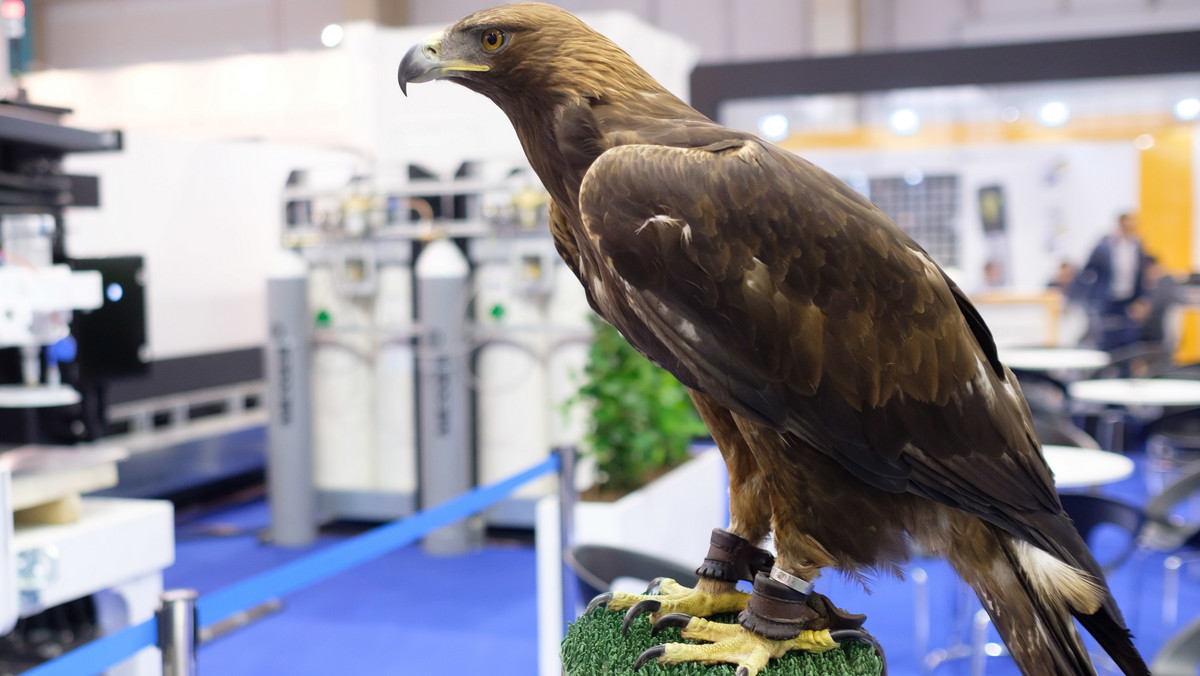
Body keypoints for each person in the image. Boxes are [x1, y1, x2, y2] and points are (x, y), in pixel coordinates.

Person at [1078, 212, 1150, 351]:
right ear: (1120, 224)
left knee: (1129, 341)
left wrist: (1142, 299)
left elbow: (1142, 276)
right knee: (1106, 340)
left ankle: (1125, 371)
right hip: (1107, 300)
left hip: (1128, 300)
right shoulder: (1104, 246)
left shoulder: (1137, 246)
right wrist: (1091, 297)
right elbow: (1087, 272)